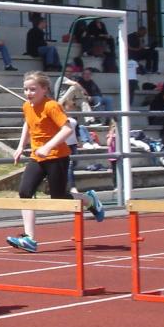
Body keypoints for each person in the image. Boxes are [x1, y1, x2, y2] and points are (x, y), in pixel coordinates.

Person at [6, 71, 80, 253]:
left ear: (44, 89)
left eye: (33, 89)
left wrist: (47, 147)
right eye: (26, 89)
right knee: (25, 192)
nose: (28, 93)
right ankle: (29, 238)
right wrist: (20, 146)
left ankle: (89, 199)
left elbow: (67, 130)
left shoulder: (51, 106)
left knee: (59, 198)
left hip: (57, 156)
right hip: (37, 156)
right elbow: (28, 123)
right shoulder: (27, 106)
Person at [57, 79, 106, 221]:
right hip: (59, 147)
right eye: (70, 106)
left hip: (70, 147)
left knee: (69, 169)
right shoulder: (57, 113)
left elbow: (76, 131)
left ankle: (75, 190)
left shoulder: (72, 120)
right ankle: (81, 197)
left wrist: (80, 142)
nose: (71, 108)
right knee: (58, 187)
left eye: (72, 106)